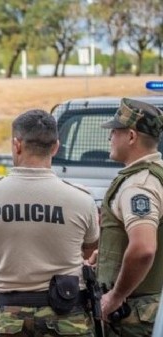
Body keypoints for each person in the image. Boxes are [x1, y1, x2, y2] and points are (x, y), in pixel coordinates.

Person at [0, 109, 99, 336]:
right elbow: (89, 250)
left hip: (9, 319)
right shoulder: (81, 200)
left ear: (17, 144)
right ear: (55, 147)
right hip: (67, 319)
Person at [95, 98, 163, 337]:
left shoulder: (138, 186)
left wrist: (116, 295)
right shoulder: (158, 175)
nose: (109, 138)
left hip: (134, 316)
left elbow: (144, 248)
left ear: (132, 136)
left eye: (114, 132)